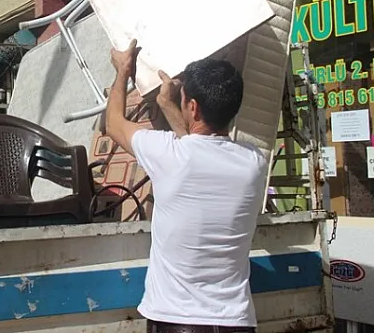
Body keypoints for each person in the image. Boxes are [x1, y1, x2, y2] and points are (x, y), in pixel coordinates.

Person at [105, 39, 267, 333]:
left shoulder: (170, 155)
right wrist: (168, 105)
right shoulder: (254, 163)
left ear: (192, 107)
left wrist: (122, 70)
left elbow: (114, 123)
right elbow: (197, 145)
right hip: (236, 323)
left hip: (177, 321)